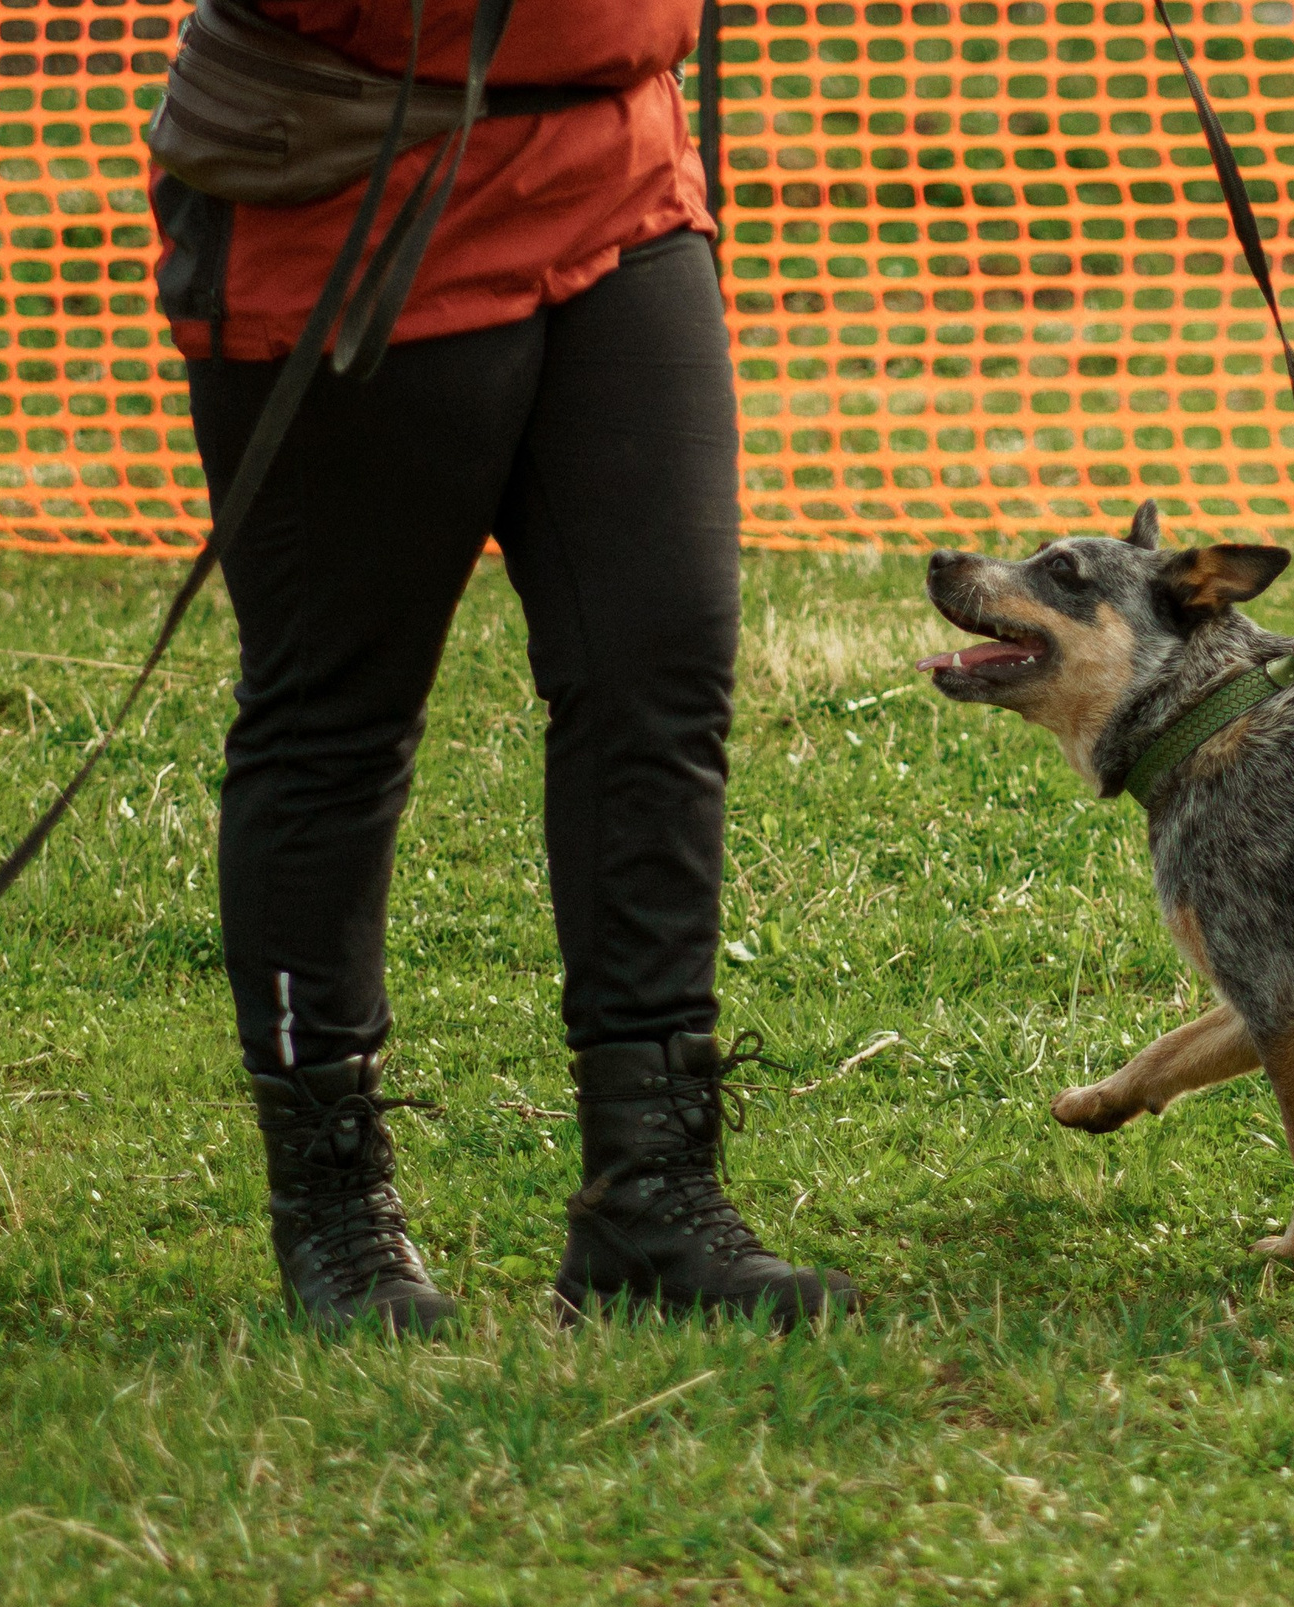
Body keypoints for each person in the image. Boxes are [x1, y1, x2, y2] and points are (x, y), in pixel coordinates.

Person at [154, 0, 854, 1330]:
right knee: (336, 716)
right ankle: (335, 1209)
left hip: (616, 168)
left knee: (659, 675)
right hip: (354, 171)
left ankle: (652, 1196)